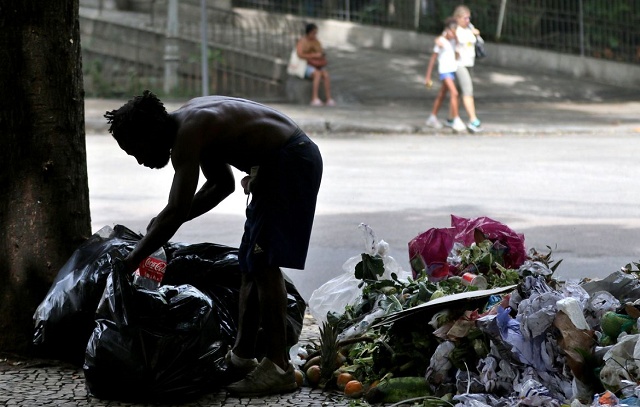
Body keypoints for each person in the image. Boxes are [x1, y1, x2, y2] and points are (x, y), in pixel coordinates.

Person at [104, 91, 323, 397]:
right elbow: (221, 185)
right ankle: (242, 357)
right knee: (250, 265)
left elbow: (177, 208)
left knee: (264, 264)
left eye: (136, 150)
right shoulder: (192, 124)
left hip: (290, 161)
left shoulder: (190, 131)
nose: (140, 160)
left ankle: (279, 367)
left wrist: (131, 261)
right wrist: (163, 222)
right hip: (277, 164)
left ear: (150, 133)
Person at [424, 18, 467, 133]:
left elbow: (457, 56)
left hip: (451, 70)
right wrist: (428, 76)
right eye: (452, 31)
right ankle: (456, 119)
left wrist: (457, 43)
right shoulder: (441, 41)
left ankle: (432, 117)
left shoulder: (453, 41)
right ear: (447, 30)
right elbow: (433, 59)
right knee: (454, 93)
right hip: (444, 71)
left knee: (442, 94)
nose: (454, 34)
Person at [447, 5, 483, 133]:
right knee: (468, 91)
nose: (467, 21)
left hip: (469, 63)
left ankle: (451, 118)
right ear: (457, 18)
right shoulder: (454, 29)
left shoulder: (469, 27)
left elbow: (479, 41)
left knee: (457, 92)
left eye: (469, 18)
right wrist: (471, 33)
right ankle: (473, 120)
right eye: (465, 18)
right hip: (459, 64)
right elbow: (459, 40)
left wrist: (474, 33)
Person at [296, 23, 336, 107]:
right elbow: (300, 54)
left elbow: (320, 51)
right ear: (309, 32)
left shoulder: (316, 41)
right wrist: (313, 55)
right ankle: (314, 98)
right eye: (313, 33)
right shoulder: (302, 41)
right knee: (317, 74)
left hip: (316, 65)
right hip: (305, 65)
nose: (315, 35)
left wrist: (320, 55)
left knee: (325, 74)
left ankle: (328, 98)